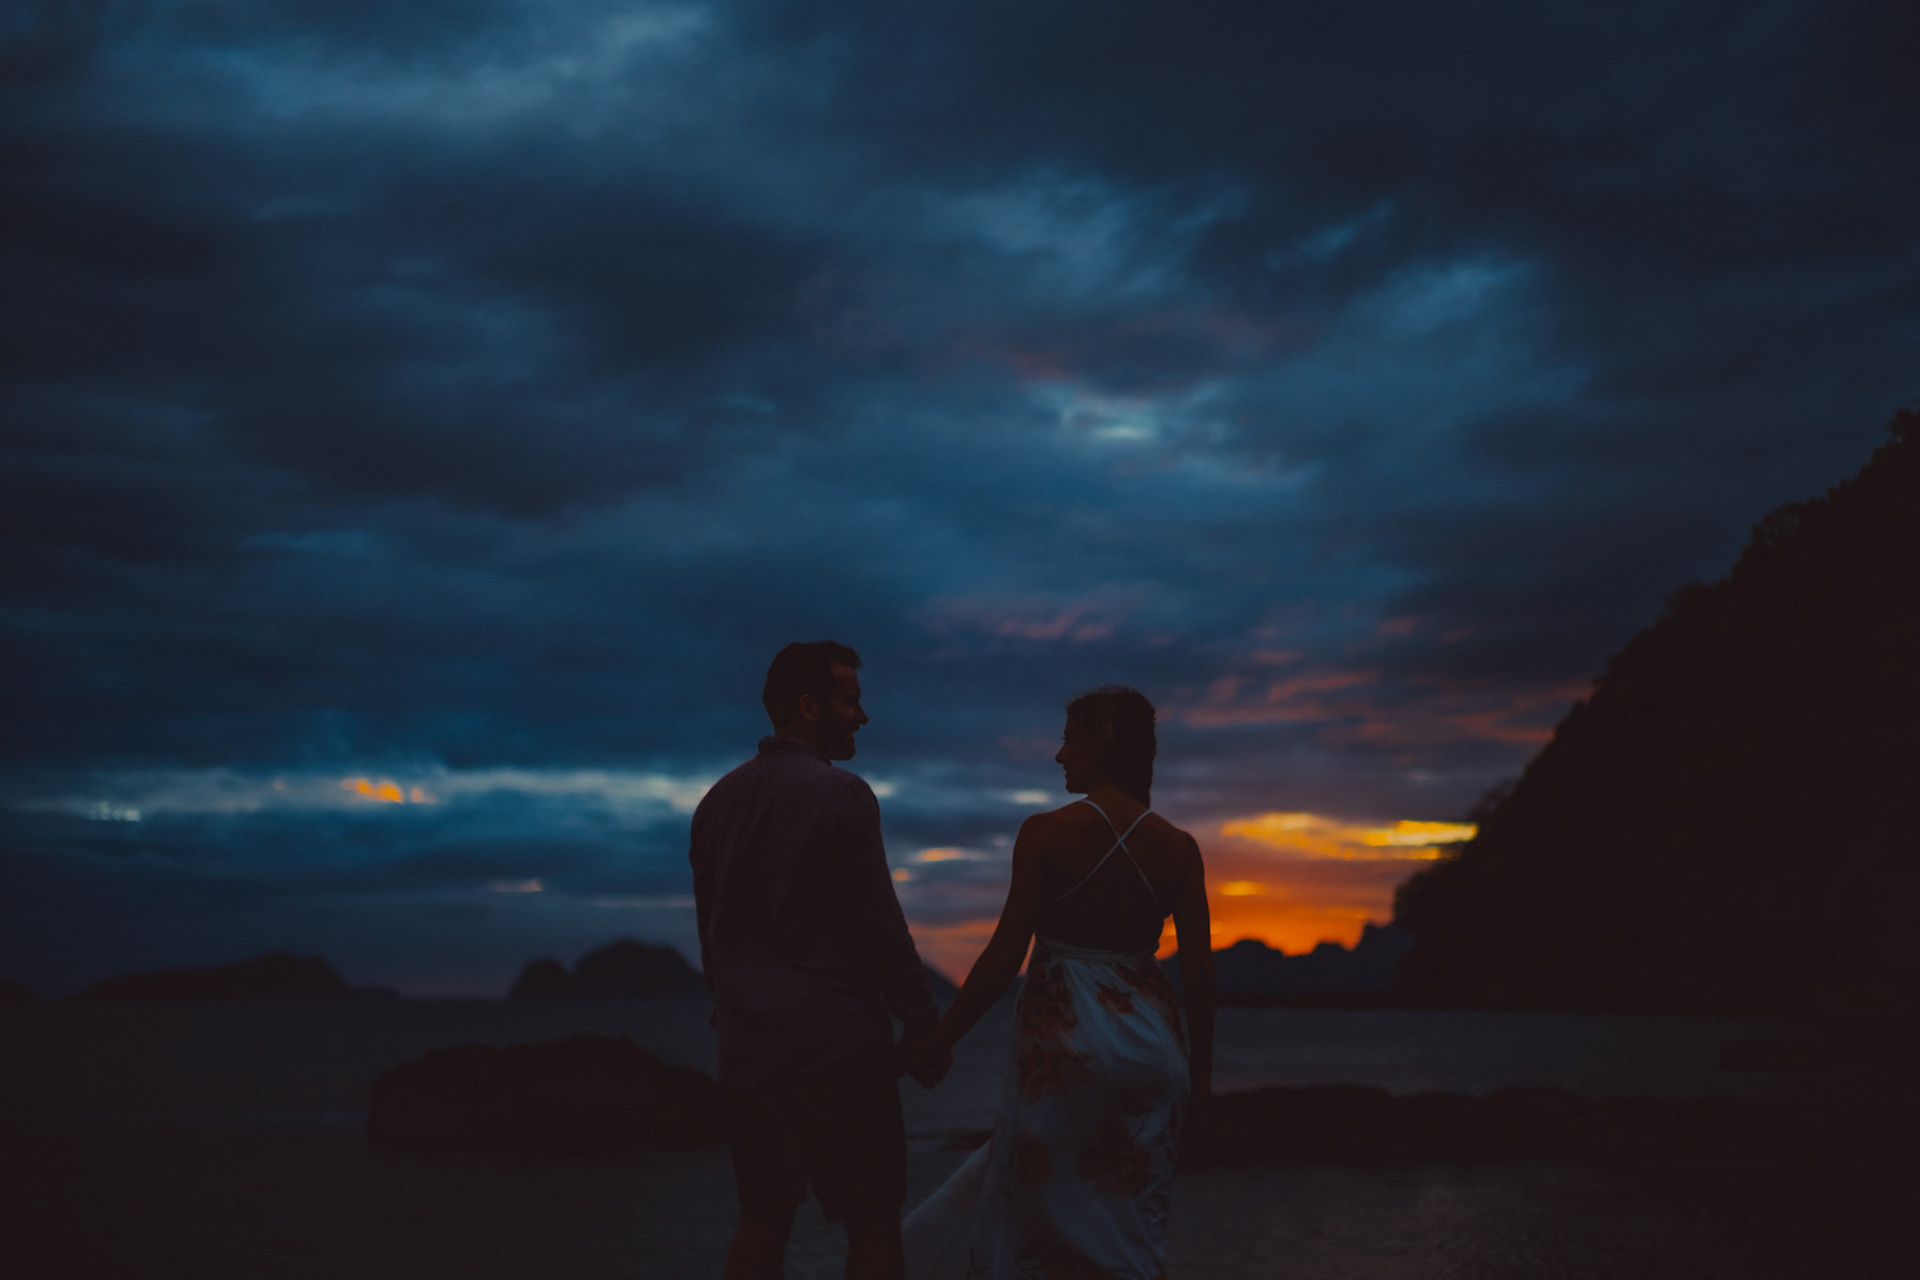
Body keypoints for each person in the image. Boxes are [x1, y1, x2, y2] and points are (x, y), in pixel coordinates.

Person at [903, 686, 1215, 1280]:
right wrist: (1200, 1079)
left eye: (1069, 740)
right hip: (1153, 1054)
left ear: (1100, 748)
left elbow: (1001, 959)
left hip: (1063, 1058)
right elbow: (1199, 971)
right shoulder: (1180, 848)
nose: (1058, 755)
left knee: (1041, 1236)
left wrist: (939, 1040)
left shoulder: (1044, 834)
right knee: (1129, 1235)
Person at [690, 640, 951, 1280]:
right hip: (837, 1051)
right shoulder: (843, 797)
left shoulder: (713, 807)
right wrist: (923, 1027)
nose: (862, 716)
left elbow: (712, 939)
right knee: (872, 1223)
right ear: (810, 708)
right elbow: (881, 930)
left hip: (749, 1057)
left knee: (762, 1220)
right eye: (850, 700)